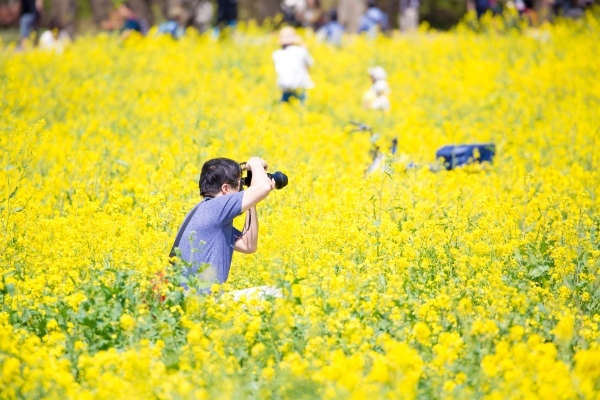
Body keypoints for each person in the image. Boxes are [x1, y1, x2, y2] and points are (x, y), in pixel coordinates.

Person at [171, 157, 276, 293]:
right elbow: (263, 187)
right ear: (225, 189)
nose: (241, 192)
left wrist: (252, 199)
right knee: (277, 294)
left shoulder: (205, 211)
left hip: (192, 303)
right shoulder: (216, 208)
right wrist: (255, 162)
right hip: (203, 304)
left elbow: (248, 245)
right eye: (239, 186)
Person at [272, 26, 315, 103]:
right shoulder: (301, 51)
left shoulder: (276, 54)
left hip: (284, 86)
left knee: (285, 105)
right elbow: (310, 63)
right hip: (299, 86)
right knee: (303, 103)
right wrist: (304, 48)